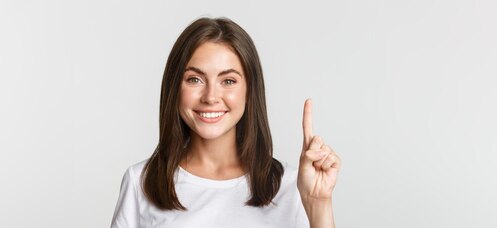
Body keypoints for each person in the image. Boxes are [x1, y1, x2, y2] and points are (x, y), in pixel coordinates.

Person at [111, 17, 341, 228]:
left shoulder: (291, 185)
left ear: (249, 90)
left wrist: (317, 203)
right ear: (174, 88)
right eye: (195, 79)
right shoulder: (141, 182)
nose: (210, 97)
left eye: (228, 81)